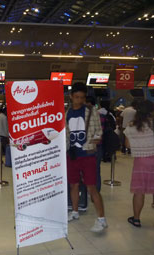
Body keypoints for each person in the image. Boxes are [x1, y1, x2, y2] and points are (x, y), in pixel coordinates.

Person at [66, 82, 107, 233]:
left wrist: (96, 138)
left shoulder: (91, 111)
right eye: (76, 97)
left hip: (88, 154)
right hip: (72, 155)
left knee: (91, 187)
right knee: (74, 184)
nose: (79, 100)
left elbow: (98, 130)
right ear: (71, 97)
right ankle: (75, 212)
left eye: (82, 97)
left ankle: (101, 219)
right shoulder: (66, 112)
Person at [124, 100, 154, 228]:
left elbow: (127, 145)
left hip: (141, 162)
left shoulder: (131, 126)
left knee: (139, 191)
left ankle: (136, 219)